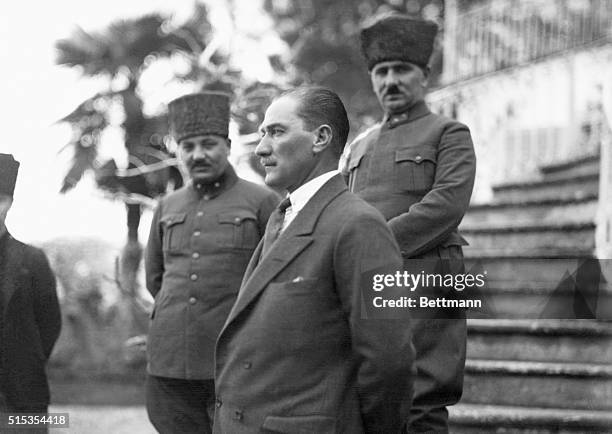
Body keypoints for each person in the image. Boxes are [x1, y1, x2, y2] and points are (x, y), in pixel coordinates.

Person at [214, 86, 414, 434]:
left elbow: (389, 358)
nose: (261, 148)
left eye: (276, 132)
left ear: (320, 138)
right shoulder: (282, 218)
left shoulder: (359, 225)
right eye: (262, 134)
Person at [342, 14, 477, 433]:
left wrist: (375, 246)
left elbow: (445, 205)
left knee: (422, 398)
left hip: (430, 272)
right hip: (368, 278)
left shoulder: (449, 132)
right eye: (381, 72)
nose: (390, 81)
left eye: (402, 70)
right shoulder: (359, 145)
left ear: (424, 75)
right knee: (370, 389)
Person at [144, 92, 279, 434]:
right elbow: (154, 279)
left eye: (208, 144)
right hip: (170, 361)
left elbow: (277, 279)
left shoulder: (263, 200)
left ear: (228, 145)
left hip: (236, 359)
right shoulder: (167, 206)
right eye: (187, 146)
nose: (197, 154)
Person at [0, 154, 62, 421]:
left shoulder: (32, 260)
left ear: (8, 203)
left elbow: (50, 323)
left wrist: (23, 361)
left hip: (22, 396)